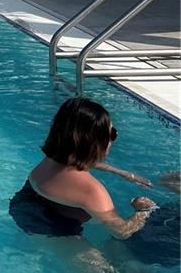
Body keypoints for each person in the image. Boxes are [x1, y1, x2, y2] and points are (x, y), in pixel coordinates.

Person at [9, 97, 157, 240]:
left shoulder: (52, 159)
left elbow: (81, 160)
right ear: (95, 141)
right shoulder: (92, 191)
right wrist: (143, 210)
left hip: (22, 206)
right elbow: (121, 232)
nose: (112, 139)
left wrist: (122, 173)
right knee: (108, 267)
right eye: (112, 133)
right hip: (51, 229)